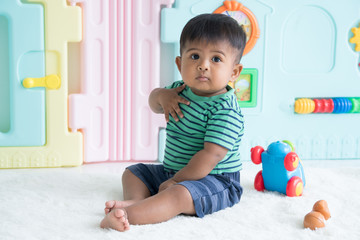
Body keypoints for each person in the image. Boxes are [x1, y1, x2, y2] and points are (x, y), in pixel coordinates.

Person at [100, 13, 246, 232]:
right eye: (195, 56)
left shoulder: (225, 109)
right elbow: (154, 104)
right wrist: (162, 96)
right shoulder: (179, 90)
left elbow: (210, 156)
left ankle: (127, 215)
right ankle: (137, 201)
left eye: (216, 59)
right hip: (174, 170)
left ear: (234, 72)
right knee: (134, 172)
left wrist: (178, 181)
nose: (203, 65)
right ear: (180, 63)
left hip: (216, 179)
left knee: (177, 195)